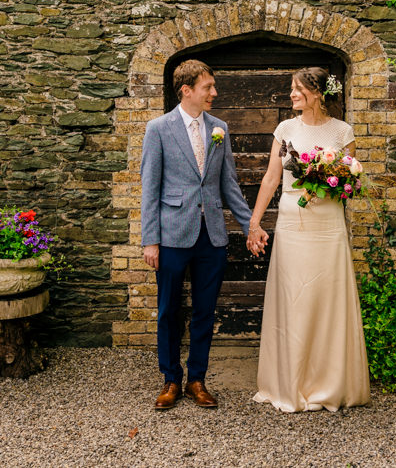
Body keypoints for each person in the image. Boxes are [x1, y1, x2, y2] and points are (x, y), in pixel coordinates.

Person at [140, 59, 268, 410]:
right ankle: (171, 380)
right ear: (187, 90)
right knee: (168, 310)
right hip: (171, 236)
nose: (214, 92)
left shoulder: (220, 128)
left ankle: (197, 379)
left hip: (211, 236)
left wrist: (250, 227)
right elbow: (149, 188)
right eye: (208, 87)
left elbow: (229, 185)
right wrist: (150, 239)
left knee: (205, 310)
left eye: (212, 86)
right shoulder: (158, 129)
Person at [247, 67, 371, 412]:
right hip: (292, 220)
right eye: (292, 89)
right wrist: (255, 221)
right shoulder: (285, 129)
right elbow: (272, 178)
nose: (292, 95)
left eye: (297, 89)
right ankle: (290, 382)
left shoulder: (342, 131)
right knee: (294, 297)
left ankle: (329, 382)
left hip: (327, 224)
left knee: (327, 297)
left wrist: (332, 177)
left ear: (317, 93)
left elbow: (351, 181)